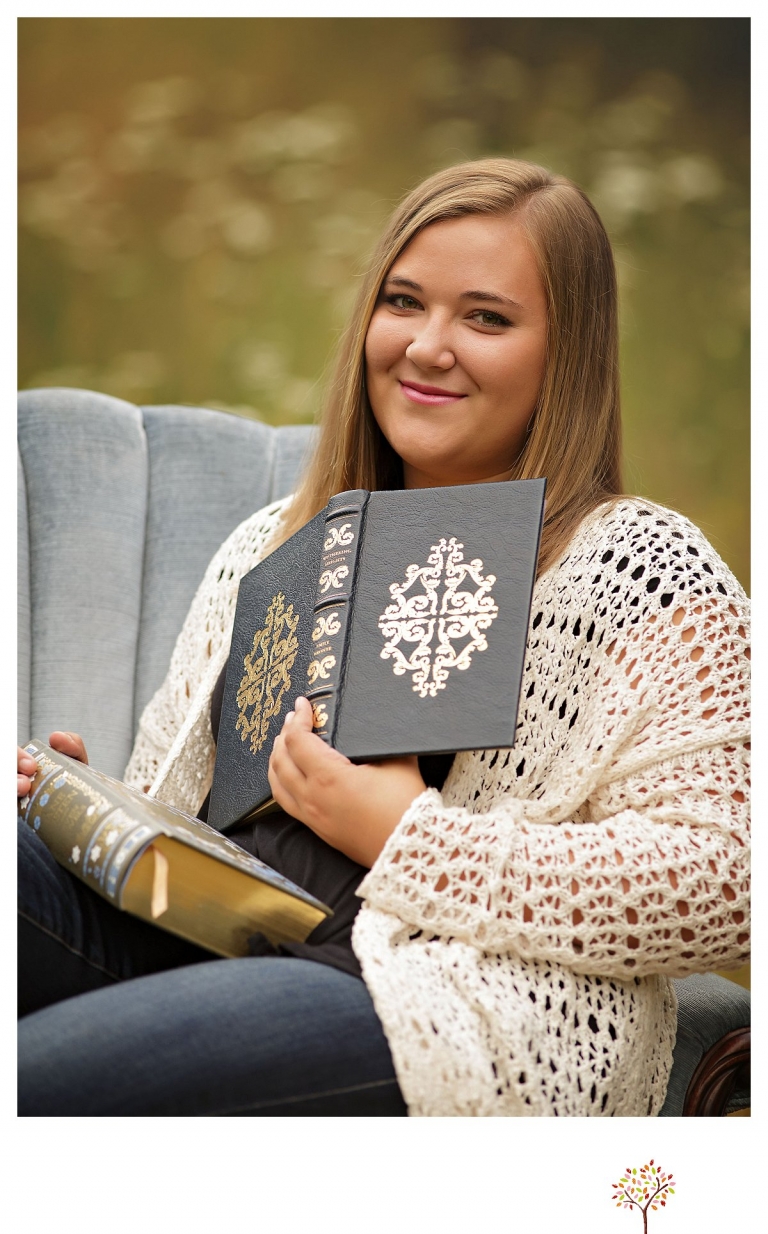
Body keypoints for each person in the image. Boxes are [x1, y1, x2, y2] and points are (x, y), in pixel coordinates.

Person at [17, 158, 750, 1116]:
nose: (427, 347)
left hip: (426, 997)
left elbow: (729, 880)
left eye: (486, 318)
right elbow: (183, 811)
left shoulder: (641, 566)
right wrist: (90, 810)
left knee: (40, 1083)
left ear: (565, 354)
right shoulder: (267, 543)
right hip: (205, 934)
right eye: (404, 302)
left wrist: (411, 839)